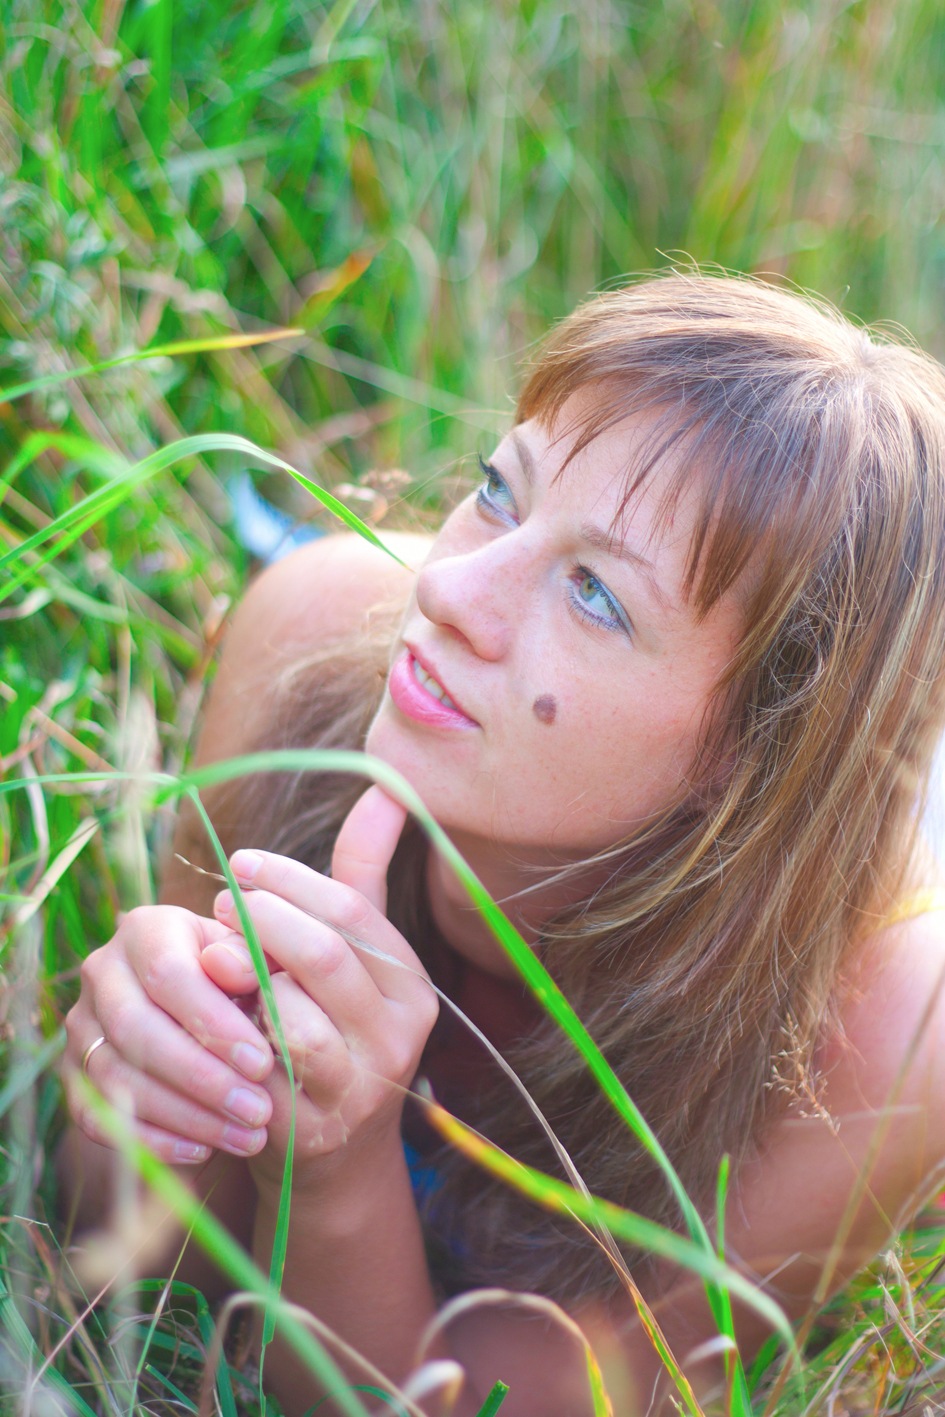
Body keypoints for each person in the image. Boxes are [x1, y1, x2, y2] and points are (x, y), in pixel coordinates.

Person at [61, 272, 945, 1416]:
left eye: (594, 595)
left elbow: (499, 1398)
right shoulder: (309, 631)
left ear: (749, 751)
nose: (445, 586)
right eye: (497, 490)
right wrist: (142, 1084)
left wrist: (336, 1165)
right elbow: (147, 1283)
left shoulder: (887, 1030)